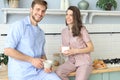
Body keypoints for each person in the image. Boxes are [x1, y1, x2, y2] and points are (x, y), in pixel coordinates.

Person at [4, 0, 61, 80]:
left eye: (43, 11)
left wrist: (47, 65)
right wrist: (31, 60)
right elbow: (8, 50)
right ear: (31, 9)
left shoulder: (41, 33)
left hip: (39, 72)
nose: (40, 13)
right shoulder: (18, 25)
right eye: (37, 9)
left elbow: (42, 54)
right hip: (21, 74)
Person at [56, 6, 94, 80]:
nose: (68, 17)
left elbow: (91, 48)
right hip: (71, 62)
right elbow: (67, 49)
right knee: (58, 72)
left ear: (76, 17)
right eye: (67, 14)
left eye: (71, 15)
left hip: (84, 62)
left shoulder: (82, 30)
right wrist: (63, 50)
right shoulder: (63, 32)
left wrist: (75, 50)